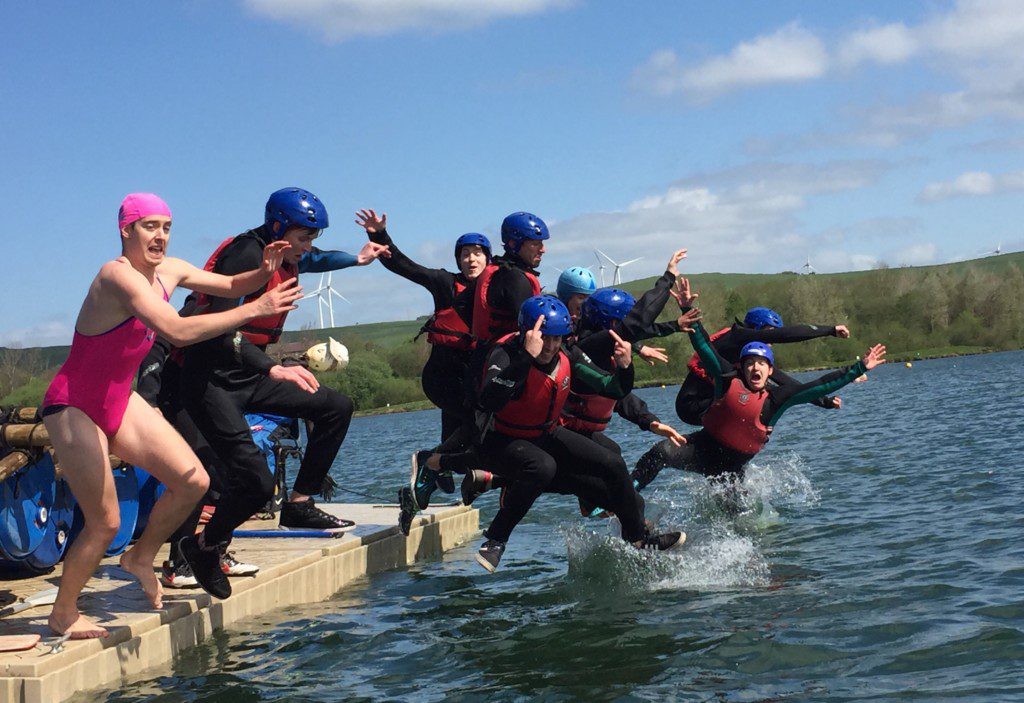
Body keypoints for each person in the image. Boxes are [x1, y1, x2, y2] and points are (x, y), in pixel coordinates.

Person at [40, 193, 299, 638]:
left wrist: (264, 273)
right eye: (149, 226)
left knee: (192, 480)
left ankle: (141, 557)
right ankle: (63, 613)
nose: (160, 236)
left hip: (119, 399)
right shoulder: (116, 277)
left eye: (166, 226)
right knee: (105, 522)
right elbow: (176, 331)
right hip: (75, 403)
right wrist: (254, 311)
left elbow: (232, 285)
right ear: (126, 230)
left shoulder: (172, 270)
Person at [177, 188, 389, 599]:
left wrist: (359, 259)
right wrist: (273, 366)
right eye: (304, 237)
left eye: (313, 238)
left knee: (335, 408)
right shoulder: (244, 255)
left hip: (247, 372)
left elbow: (317, 259)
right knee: (252, 483)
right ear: (278, 229)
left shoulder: (286, 253)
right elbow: (217, 329)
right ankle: (201, 548)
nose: (309, 247)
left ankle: (298, 504)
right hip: (210, 379)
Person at [470, 295, 683, 572]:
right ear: (528, 333)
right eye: (544, 337)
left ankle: (638, 541)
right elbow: (490, 400)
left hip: (547, 435)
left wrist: (625, 367)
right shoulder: (507, 354)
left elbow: (613, 389)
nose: (550, 346)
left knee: (614, 464)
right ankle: (495, 538)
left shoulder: (568, 354)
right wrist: (525, 356)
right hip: (505, 438)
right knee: (543, 469)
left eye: (557, 338)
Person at [632, 282, 886, 491]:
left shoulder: (769, 390)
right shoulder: (730, 367)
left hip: (729, 459)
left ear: (769, 368)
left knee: (732, 512)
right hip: (699, 418)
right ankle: (626, 496)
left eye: (762, 363)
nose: (757, 366)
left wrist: (851, 374)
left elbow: (810, 384)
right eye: (750, 363)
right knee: (661, 452)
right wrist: (688, 309)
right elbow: (703, 347)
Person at [353, 209, 492, 533]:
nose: (471, 260)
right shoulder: (445, 283)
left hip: (468, 378)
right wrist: (379, 236)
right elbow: (404, 266)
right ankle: (432, 464)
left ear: (488, 258)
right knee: (479, 427)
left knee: (454, 449)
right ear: (458, 260)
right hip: (443, 377)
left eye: (477, 254)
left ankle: (411, 500)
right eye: (465, 254)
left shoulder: (496, 287)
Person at [675, 300, 852, 425]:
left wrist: (823, 401)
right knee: (760, 392)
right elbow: (787, 335)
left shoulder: (753, 358)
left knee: (771, 391)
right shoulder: (738, 337)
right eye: (769, 332)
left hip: (711, 402)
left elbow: (787, 382)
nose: (771, 339)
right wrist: (830, 330)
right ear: (755, 328)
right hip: (693, 405)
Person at [471, 212, 547, 345]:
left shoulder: (497, 270)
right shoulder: (515, 279)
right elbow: (533, 329)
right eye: (535, 244)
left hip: (482, 354)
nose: (543, 250)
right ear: (513, 244)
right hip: (503, 357)